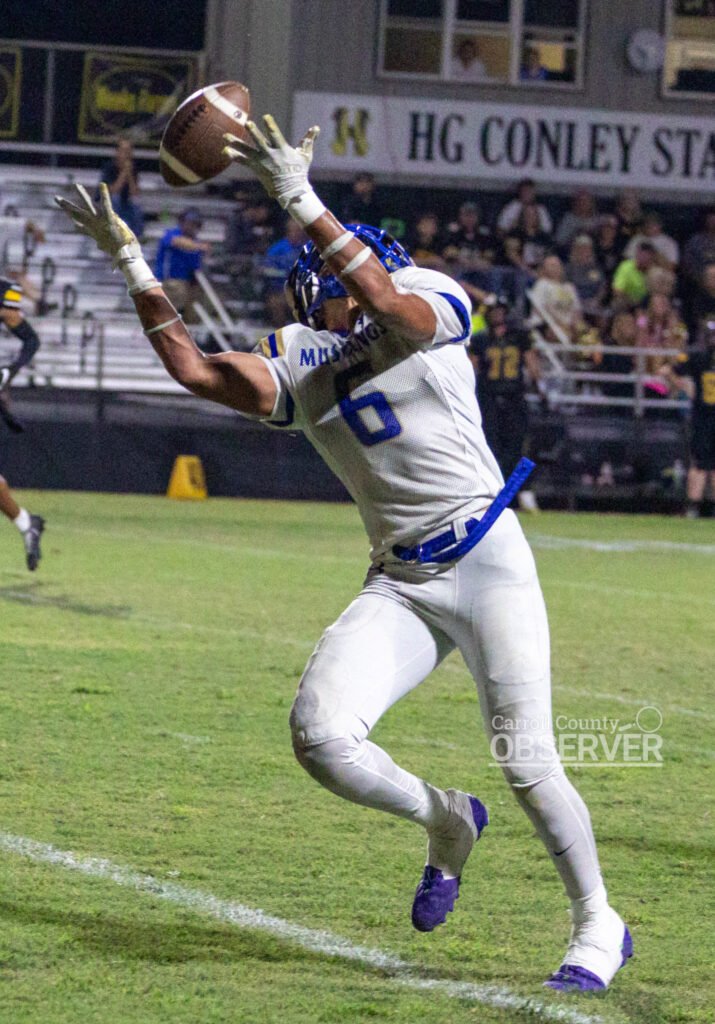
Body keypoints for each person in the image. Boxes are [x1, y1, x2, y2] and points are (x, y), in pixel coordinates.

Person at [56, 114, 632, 993]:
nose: (362, 270)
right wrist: (132, 263)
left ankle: (597, 921)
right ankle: (445, 821)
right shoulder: (298, 354)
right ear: (311, 291)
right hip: (401, 580)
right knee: (320, 736)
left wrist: (301, 197)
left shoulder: (425, 289)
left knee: (525, 756)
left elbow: (398, 310)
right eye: (339, 268)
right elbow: (195, 371)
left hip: (485, 557)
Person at [467, 299, 541, 511]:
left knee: (516, 447)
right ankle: (493, 494)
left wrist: (537, 383)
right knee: (490, 447)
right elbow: (471, 368)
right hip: (488, 398)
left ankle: (521, 492)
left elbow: (532, 366)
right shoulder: (481, 340)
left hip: (513, 397)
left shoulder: (518, 337)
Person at [0, 277, 44, 569]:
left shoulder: (5, 290)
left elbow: (31, 339)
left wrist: (10, 371)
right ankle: (28, 523)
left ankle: (28, 523)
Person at [667, 319, 715, 518]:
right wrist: (684, 387)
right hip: (703, 417)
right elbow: (668, 370)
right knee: (700, 464)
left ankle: (704, 507)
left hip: (705, 416)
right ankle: (693, 507)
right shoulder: (697, 356)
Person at [154, 208, 211, 323]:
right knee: (177, 290)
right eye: (188, 223)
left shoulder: (196, 242)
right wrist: (199, 247)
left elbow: (197, 266)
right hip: (169, 280)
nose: (191, 227)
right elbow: (177, 242)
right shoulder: (172, 234)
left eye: (194, 224)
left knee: (200, 301)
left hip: (188, 282)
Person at [260, 219, 307, 326]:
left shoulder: (306, 248)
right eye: (294, 231)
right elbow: (267, 268)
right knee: (277, 303)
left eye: (300, 231)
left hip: (302, 290)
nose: (297, 234)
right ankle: (280, 331)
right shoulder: (277, 249)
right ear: (288, 231)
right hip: (279, 289)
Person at [99, 137, 144, 239]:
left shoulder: (134, 168)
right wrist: (124, 173)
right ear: (117, 152)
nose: (126, 154)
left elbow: (135, 192)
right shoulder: (109, 167)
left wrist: (130, 175)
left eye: (129, 151)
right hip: (109, 204)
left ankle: (137, 236)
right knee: (115, 198)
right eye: (124, 151)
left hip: (126, 204)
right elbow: (113, 191)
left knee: (137, 204)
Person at [611, 242, 657, 310]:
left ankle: (642, 320)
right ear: (637, 254)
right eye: (641, 255)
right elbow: (617, 290)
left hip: (646, 303)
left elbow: (656, 292)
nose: (643, 259)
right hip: (628, 301)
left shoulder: (655, 271)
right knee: (617, 303)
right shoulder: (625, 266)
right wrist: (630, 301)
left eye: (647, 257)